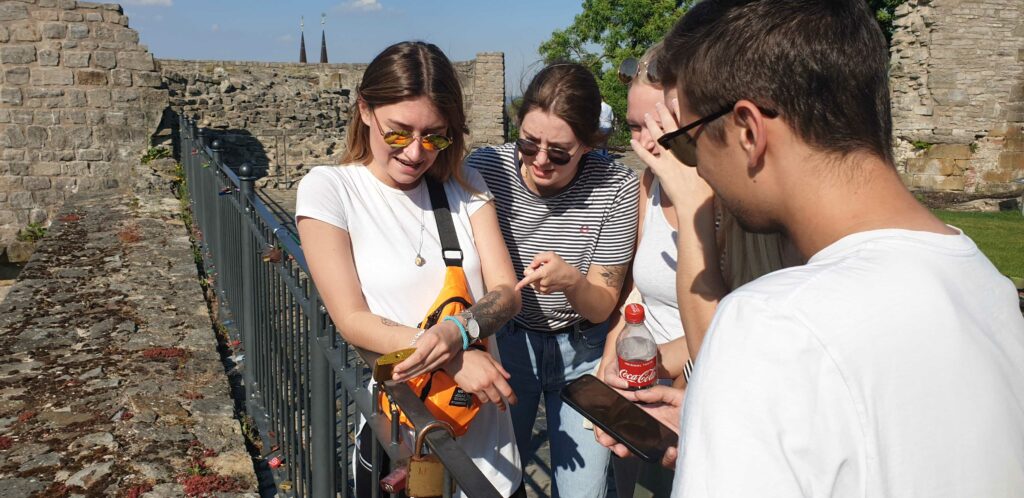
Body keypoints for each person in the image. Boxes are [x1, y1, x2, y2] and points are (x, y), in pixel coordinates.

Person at [602, 1, 1024, 496]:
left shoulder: (771, 325)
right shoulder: (987, 284)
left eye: (689, 144)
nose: (699, 170)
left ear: (748, 131)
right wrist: (709, 423)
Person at [294, 41, 525, 498]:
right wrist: (447, 353)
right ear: (364, 109)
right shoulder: (330, 190)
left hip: (486, 436)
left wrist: (455, 333)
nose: (416, 153)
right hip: (403, 431)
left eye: (435, 136)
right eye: (398, 132)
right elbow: (352, 320)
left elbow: (507, 291)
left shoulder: (463, 185)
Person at [465, 63, 640, 498]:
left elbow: (602, 305)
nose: (541, 160)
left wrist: (569, 281)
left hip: (584, 351)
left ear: (587, 144)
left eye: (559, 151)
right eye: (529, 143)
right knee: (497, 483)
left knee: (585, 490)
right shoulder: (488, 168)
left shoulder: (615, 186)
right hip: (509, 343)